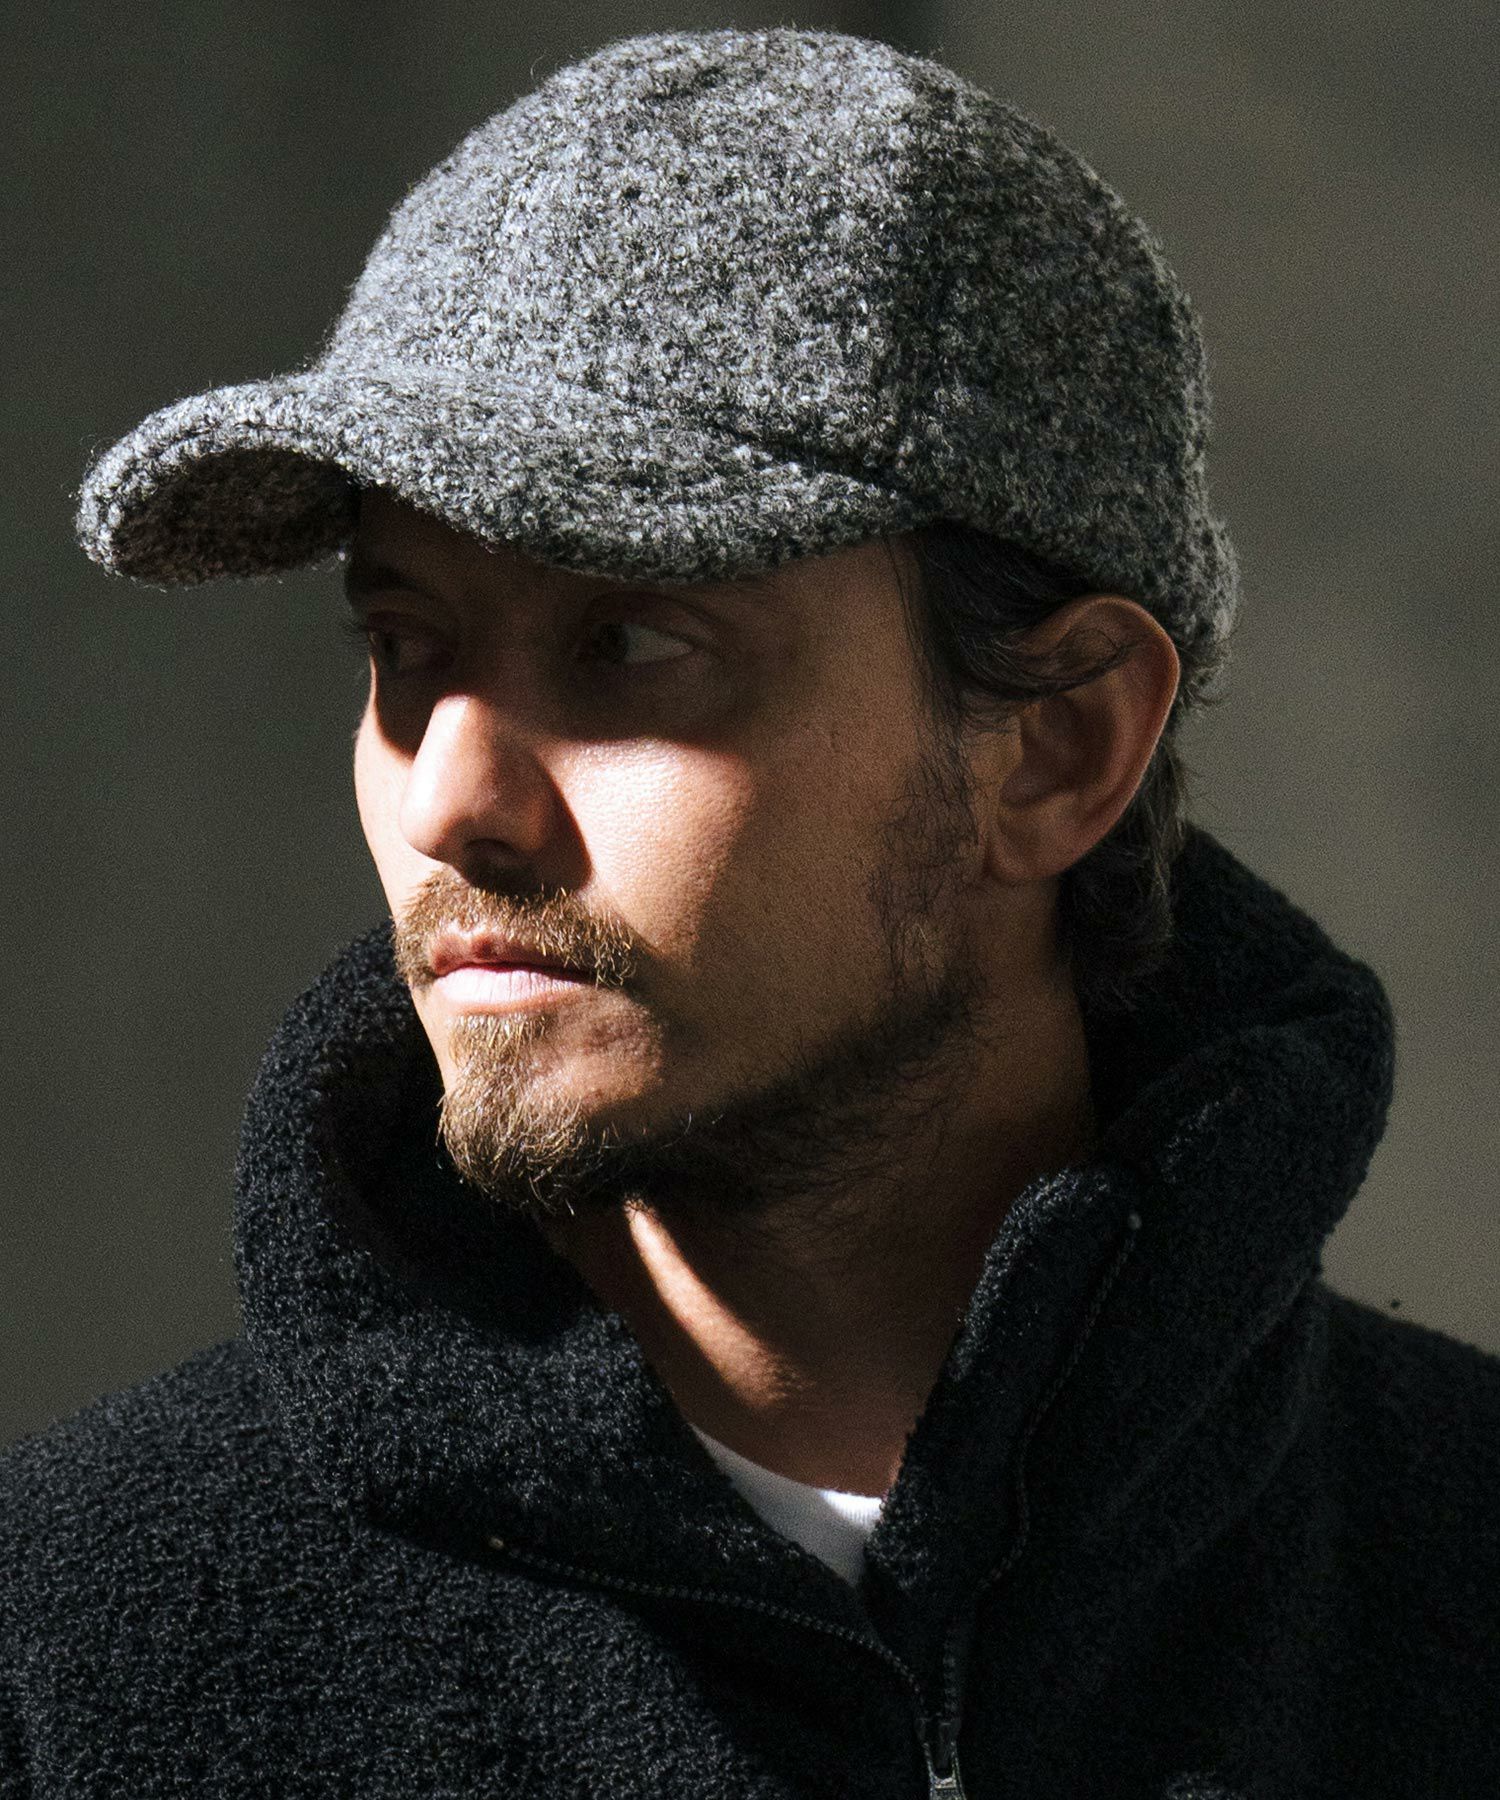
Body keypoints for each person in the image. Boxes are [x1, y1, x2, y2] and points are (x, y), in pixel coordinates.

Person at [4, 26, 1497, 1799]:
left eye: (629, 641)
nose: (446, 801)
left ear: (1059, 747)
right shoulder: (78, 1656)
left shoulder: (1455, 1569)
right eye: (406, 648)